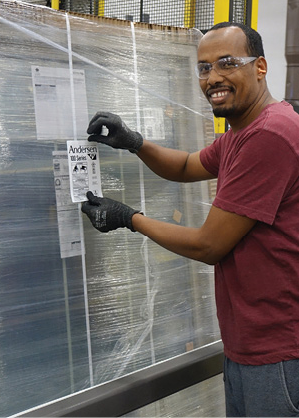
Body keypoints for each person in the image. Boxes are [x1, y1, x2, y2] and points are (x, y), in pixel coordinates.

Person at [81, 22, 299, 417]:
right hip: (249, 344)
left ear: (261, 67)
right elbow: (185, 166)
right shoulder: (241, 133)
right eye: (203, 68)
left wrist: (128, 218)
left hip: (278, 350)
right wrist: (134, 142)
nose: (213, 77)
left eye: (227, 63)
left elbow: (209, 245)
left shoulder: (271, 135)